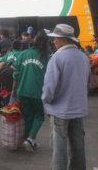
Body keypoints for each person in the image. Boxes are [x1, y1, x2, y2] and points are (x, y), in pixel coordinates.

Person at [42, 24, 90, 170]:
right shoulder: (84, 57)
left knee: (59, 150)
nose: (54, 42)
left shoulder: (57, 58)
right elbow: (87, 84)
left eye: (56, 39)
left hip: (59, 111)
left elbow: (50, 88)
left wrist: (45, 101)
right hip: (78, 109)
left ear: (63, 40)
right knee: (78, 147)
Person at [11, 30, 50, 152]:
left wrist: (13, 90)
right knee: (38, 116)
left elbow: (16, 74)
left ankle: (28, 140)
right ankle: (30, 139)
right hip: (37, 92)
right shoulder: (47, 57)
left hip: (22, 90)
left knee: (28, 117)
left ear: (35, 41)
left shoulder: (23, 54)